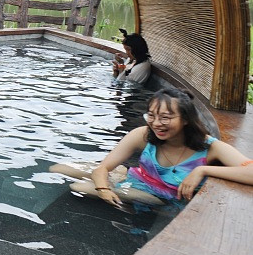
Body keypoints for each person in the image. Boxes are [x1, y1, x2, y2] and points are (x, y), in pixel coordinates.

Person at [51, 88, 253, 207]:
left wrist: (203, 169)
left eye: (166, 117)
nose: (157, 123)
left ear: (185, 119)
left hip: (159, 196)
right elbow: (102, 168)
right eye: (152, 116)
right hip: (134, 178)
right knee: (58, 168)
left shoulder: (210, 147)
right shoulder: (144, 134)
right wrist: (103, 188)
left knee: (78, 188)